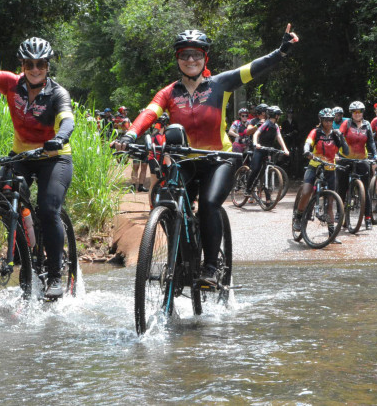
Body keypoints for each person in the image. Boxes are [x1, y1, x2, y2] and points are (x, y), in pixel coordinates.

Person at [114, 26, 298, 284]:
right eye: (184, 55)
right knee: (169, 205)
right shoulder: (169, 93)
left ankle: (211, 267)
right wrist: (129, 135)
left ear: (205, 58)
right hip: (186, 160)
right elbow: (149, 114)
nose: (191, 60)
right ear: (177, 59)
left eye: (196, 55)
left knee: (210, 205)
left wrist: (281, 51)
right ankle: (179, 263)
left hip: (218, 160)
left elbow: (252, 68)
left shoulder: (220, 84)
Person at [0, 15, 73, 298]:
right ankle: (23, 244)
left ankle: (56, 275)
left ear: (48, 66)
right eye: (29, 64)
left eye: (41, 64)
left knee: (49, 210)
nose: (35, 69)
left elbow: (68, 120)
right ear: (22, 66)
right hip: (22, 154)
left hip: (54, 156)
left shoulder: (58, 93)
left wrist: (59, 138)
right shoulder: (11, 83)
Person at [292, 108, 350, 231]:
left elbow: (346, 151)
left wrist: (342, 138)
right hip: (315, 165)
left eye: (330, 120)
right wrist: (307, 151)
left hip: (330, 167)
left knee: (330, 201)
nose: (328, 123)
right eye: (325, 120)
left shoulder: (335, 134)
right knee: (307, 191)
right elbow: (308, 143)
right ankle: (298, 216)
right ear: (321, 120)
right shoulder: (316, 132)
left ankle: (331, 232)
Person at [337, 101, 377, 229]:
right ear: (351, 113)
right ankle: (339, 213)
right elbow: (339, 135)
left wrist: (375, 155)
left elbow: (371, 143)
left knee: (365, 190)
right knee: (341, 187)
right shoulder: (346, 123)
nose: (357, 114)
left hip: (362, 159)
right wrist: (337, 152)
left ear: (362, 113)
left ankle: (367, 218)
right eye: (354, 112)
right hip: (345, 158)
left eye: (359, 112)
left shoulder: (367, 124)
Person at [246, 106, 290, 195]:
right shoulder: (266, 124)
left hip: (269, 150)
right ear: (275, 115)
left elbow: (279, 137)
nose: (279, 117)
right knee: (255, 169)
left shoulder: (276, 126)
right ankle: (248, 188)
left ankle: (268, 198)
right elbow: (256, 134)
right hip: (260, 149)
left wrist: (285, 149)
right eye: (278, 115)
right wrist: (256, 144)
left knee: (268, 172)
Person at [129, 109, 149, 192]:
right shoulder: (136, 124)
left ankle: (141, 186)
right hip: (137, 148)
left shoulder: (149, 124)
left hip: (145, 148)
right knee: (135, 167)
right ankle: (133, 185)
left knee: (144, 167)